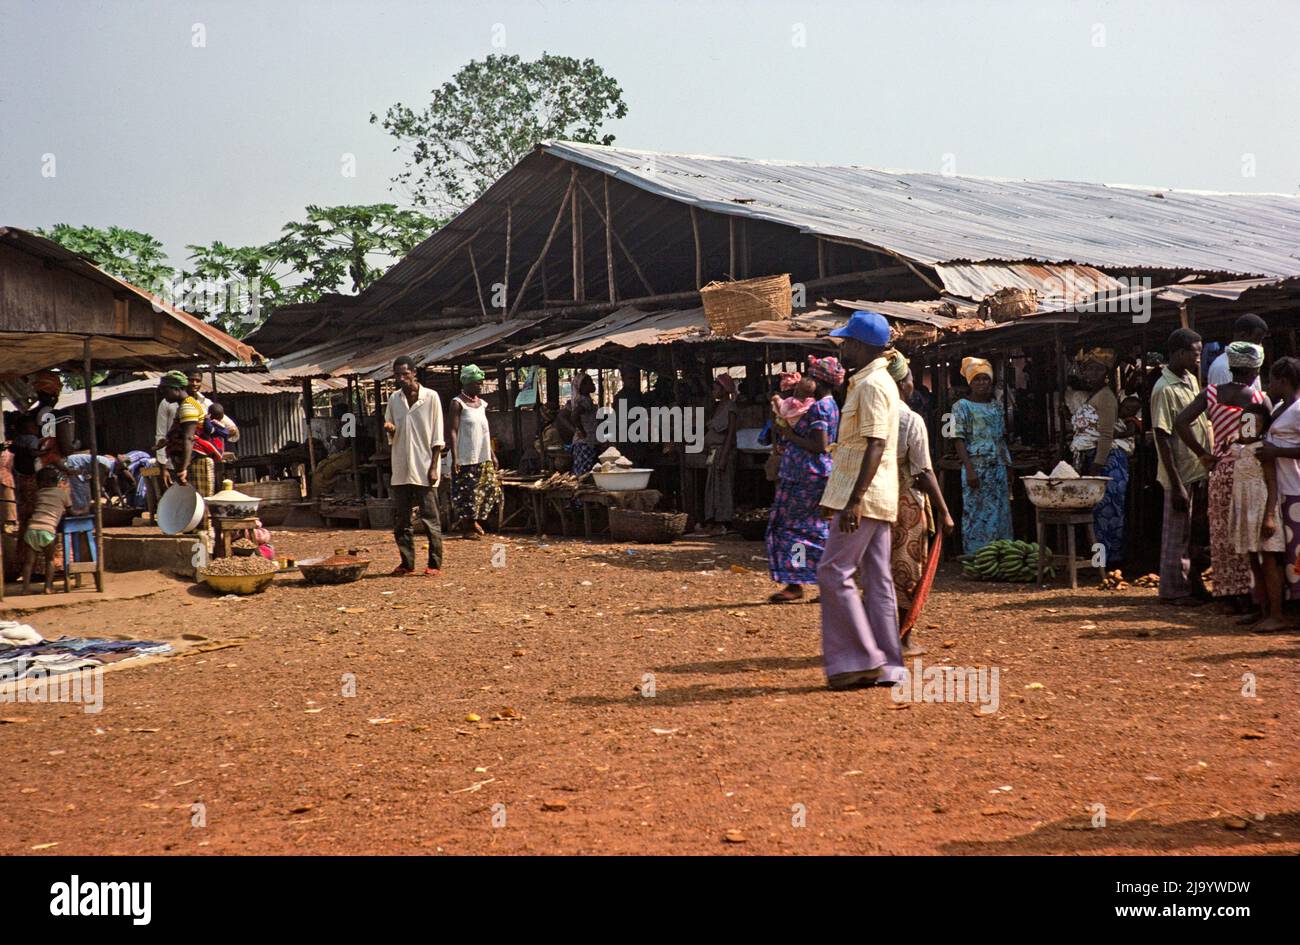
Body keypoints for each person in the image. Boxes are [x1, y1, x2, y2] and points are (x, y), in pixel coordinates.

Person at [816, 311, 904, 690]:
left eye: (847, 341)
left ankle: (857, 660)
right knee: (878, 580)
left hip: (864, 498)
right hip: (877, 495)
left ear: (863, 346)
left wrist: (852, 501)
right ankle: (888, 665)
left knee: (832, 571)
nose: (843, 346)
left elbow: (875, 444)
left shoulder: (870, 385)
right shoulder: (875, 381)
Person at [1175, 340, 1268, 612]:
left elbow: (1181, 421)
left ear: (1231, 366)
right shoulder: (1260, 399)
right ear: (1256, 370)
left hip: (1221, 470)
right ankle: (1252, 592)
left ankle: (1227, 594)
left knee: (1222, 532)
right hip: (1251, 472)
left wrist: (1203, 453)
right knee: (1248, 529)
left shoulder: (1211, 393)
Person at [886, 349, 954, 656]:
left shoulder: (866, 414)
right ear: (902, 384)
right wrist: (944, 510)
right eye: (911, 378)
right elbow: (924, 471)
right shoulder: (910, 419)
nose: (913, 384)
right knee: (907, 569)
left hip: (875, 500)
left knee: (879, 570)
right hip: (905, 503)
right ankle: (902, 638)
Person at [764, 355, 843, 604]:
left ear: (819, 381)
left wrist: (788, 434)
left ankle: (796, 583)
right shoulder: (830, 405)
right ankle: (812, 582)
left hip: (805, 475)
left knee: (795, 529)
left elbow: (818, 445)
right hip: (812, 473)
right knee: (814, 529)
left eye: (810, 376)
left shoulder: (820, 408)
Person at [1152, 329, 1211, 605]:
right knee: (1176, 534)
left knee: (1190, 534)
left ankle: (1191, 584)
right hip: (1179, 473)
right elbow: (1162, 437)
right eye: (1194, 354)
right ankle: (1173, 590)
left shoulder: (1189, 380)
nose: (1198, 359)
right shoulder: (1163, 389)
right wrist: (1176, 484)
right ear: (1178, 354)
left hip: (1194, 467)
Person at [383, 355, 444, 576]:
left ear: (414, 373)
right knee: (402, 520)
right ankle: (407, 563)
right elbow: (391, 426)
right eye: (397, 375)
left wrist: (434, 466)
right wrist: (390, 429)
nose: (401, 379)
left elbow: (437, 436)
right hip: (401, 467)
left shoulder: (431, 398)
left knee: (430, 518)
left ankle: (434, 563)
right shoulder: (394, 399)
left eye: (405, 374)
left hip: (424, 466)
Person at [1069, 348, 1130, 565]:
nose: (1091, 374)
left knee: (1108, 513)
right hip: (1096, 459)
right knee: (1097, 514)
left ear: (1106, 373)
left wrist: (1097, 466)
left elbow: (1106, 435)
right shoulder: (1093, 395)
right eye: (1088, 369)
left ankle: (1109, 562)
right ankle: (1099, 561)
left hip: (1107, 461)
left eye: (1097, 369)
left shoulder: (1106, 397)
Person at [1231, 403, 1285, 631]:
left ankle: (1276, 614)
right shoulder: (1237, 448)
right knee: (1253, 559)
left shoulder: (1263, 449)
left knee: (1269, 560)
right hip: (1245, 510)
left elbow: (1272, 484)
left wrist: (1269, 516)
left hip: (1262, 509)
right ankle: (1262, 610)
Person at [951, 357, 1012, 555]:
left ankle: (1001, 555)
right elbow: (958, 439)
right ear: (970, 382)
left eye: (985, 379)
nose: (982, 383)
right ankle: (977, 556)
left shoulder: (995, 406)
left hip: (998, 467)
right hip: (976, 467)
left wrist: (1007, 466)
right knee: (977, 514)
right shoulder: (961, 407)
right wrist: (969, 469)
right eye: (977, 379)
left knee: (1000, 511)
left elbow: (1001, 438)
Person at [1259, 357, 1300, 622]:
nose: (1267, 385)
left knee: (1297, 554)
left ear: (1283, 381)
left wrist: (1277, 451)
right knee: (1288, 554)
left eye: (1271, 380)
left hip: (1295, 490)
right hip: (1283, 490)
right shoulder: (1282, 408)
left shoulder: (1297, 410)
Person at [449, 364, 502, 539]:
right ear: (467, 384)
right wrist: (455, 457)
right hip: (465, 456)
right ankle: (468, 527)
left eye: (481, 382)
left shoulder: (481, 404)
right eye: (476, 383)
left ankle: (474, 521)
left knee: (489, 489)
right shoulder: (457, 403)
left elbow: (487, 431)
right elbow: (453, 431)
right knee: (467, 493)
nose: (480, 386)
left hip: (483, 455)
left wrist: (492, 454)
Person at [701, 372, 741, 534]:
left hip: (723, 452)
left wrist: (724, 456)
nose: (713, 390)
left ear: (724, 389)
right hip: (713, 452)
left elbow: (730, 433)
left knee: (723, 487)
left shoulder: (731, 407)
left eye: (715, 387)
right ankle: (713, 518)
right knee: (713, 487)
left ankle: (724, 520)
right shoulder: (718, 407)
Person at [20, 466, 71, 594]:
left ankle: (25, 588)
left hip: (32, 530)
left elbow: (32, 510)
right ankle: (48, 587)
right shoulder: (62, 493)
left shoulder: (38, 494)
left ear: (40, 483)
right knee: (50, 560)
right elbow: (70, 510)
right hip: (48, 530)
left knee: (28, 563)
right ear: (57, 481)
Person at [158, 371, 205, 490]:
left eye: (166, 391)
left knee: (197, 501)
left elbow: (188, 438)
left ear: (177, 389)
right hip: (187, 460)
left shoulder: (187, 407)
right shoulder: (184, 405)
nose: (164, 395)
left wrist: (183, 468)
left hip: (192, 463)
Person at [1206, 313, 1268, 389]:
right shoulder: (1222, 367)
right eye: (1257, 340)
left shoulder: (1252, 365)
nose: (1259, 345)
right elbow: (1222, 398)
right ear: (1243, 336)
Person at [569, 372, 599, 480]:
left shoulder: (581, 399)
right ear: (582, 386)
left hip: (582, 442)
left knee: (580, 472)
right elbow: (574, 416)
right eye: (589, 382)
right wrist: (582, 431)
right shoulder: (585, 400)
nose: (593, 384)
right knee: (584, 474)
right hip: (586, 442)